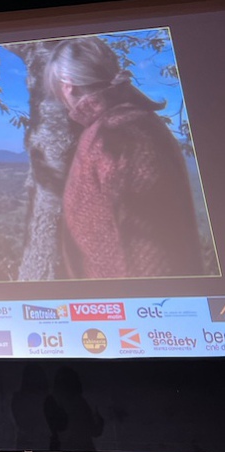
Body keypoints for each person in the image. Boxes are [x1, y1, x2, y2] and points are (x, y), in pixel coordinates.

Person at [44, 36, 205, 279]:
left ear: (68, 85)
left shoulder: (120, 134)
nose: (61, 100)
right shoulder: (117, 127)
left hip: (143, 300)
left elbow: (153, 255)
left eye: (56, 91)